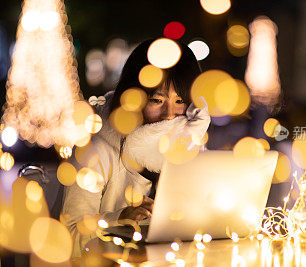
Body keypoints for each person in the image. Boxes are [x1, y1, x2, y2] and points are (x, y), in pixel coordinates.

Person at [61, 38, 210, 256]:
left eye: (180, 102)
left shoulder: (187, 147)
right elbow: (68, 237)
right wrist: (120, 218)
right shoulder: (96, 150)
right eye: (156, 100)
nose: (169, 114)